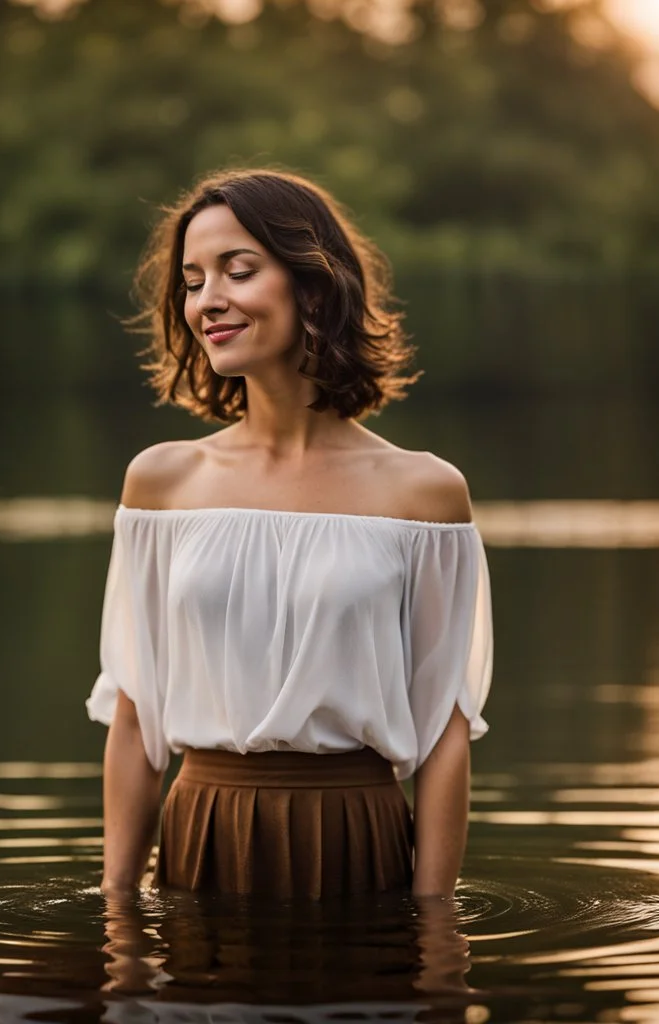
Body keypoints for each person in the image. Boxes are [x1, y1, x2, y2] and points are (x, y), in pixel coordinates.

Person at [86, 168, 493, 901]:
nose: (209, 300)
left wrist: (437, 939)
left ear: (313, 285)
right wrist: (118, 917)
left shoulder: (426, 493)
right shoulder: (161, 483)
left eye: (238, 271)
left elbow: (444, 734)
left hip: (357, 841)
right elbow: (135, 715)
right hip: (202, 835)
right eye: (192, 280)